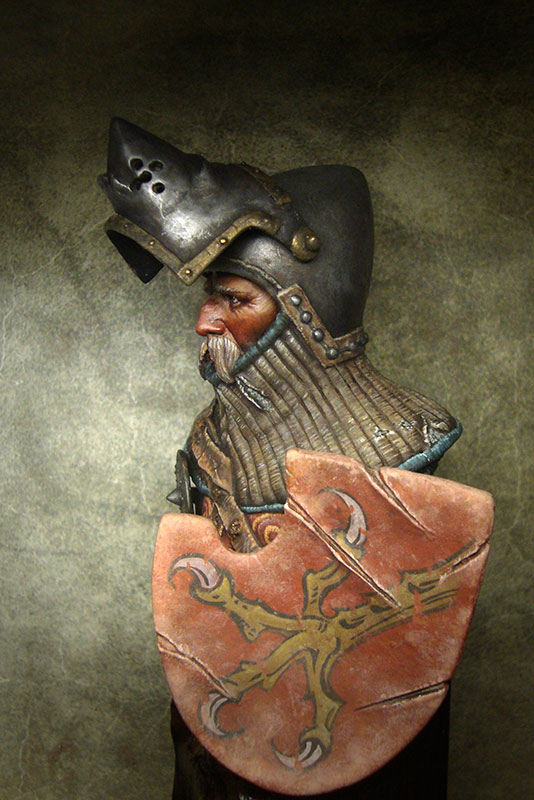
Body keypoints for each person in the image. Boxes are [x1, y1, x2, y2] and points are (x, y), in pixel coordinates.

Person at [99, 118, 475, 798]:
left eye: (234, 299)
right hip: (220, 738)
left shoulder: (401, 445)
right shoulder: (212, 441)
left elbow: (385, 656)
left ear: (304, 312)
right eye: (209, 296)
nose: (205, 322)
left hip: (352, 750)